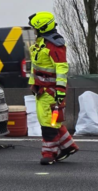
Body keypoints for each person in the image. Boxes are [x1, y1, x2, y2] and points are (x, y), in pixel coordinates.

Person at [28, 11, 79, 165]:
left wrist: (60, 91)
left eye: (35, 28)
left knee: (48, 123)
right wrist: (33, 84)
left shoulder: (55, 45)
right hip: (41, 91)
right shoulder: (40, 43)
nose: (33, 31)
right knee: (51, 121)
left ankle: (49, 154)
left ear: (42, 28)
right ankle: (69, 146)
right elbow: (34, 68)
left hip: (51, 91)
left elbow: (61, 70)